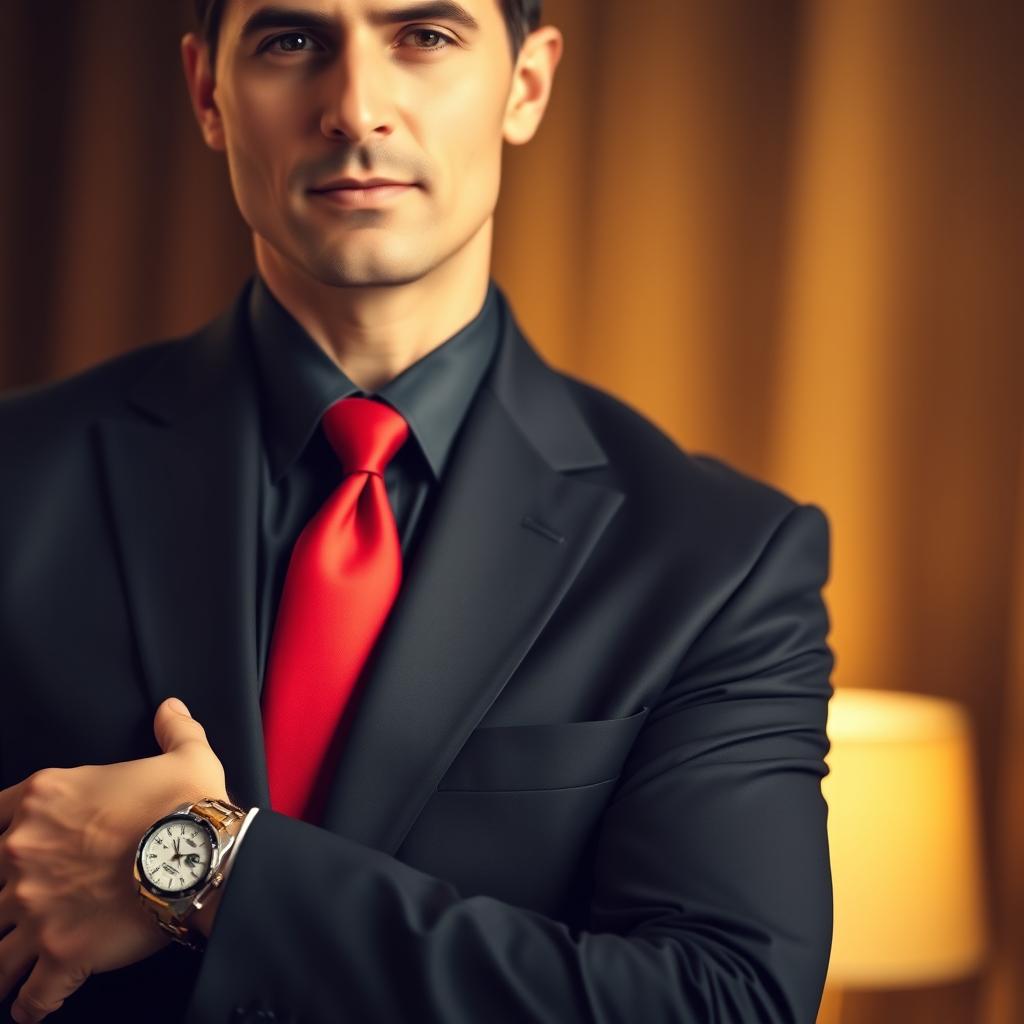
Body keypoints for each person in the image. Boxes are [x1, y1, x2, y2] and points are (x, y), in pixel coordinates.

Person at [0, 1, 835, 1021]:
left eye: (425, 36)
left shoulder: (721, 560)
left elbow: (723, 1001)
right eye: (291, 41)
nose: (355, 110)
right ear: (207, 94)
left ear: (524, 84)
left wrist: (210, 872)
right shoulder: (18, 478)